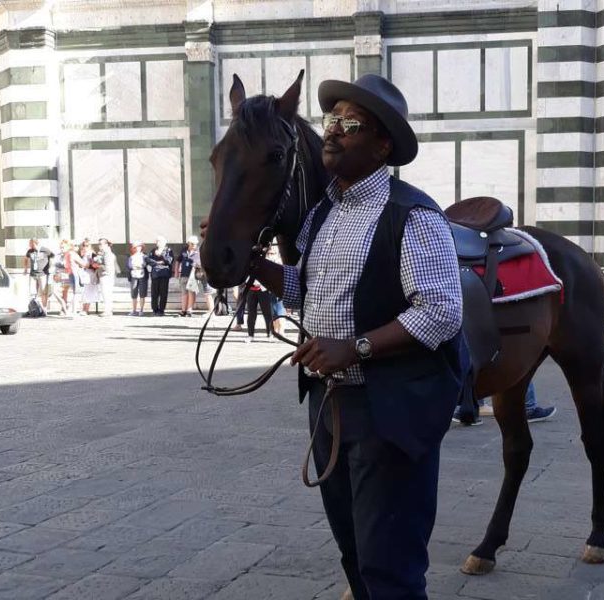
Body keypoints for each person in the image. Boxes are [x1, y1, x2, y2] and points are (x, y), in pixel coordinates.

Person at [248, 74, 464, 599]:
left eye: (351, 125)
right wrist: (250, 262)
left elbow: (440, 312)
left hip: (388, 411)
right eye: (331, 121)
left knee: (390, 568)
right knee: (353, 556)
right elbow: (303, 290)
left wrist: (356, 347)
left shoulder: (411, 215)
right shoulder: (323, 214)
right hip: (328, 407)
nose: (333, 132)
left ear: (383, 144)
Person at [23, 238, 54, 312]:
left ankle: (44, 308)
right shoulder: (30, 251)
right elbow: (25, 258)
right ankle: (33, 308)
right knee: (33, 292)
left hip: (42, 274)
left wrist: (49, 267)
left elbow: (52, 257)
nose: (29, 245)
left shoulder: (45, 250)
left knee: (43, 291)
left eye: (31, 243)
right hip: (33, 274)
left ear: (35, 243)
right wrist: (25, 269)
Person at [147, 236, 173, 316]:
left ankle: (161, 310)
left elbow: (169, 261)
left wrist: (161, 255)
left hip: (164, 273)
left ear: (164, 242)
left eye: (159, 241)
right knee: (154, 293)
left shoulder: (168, 250)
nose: (157, 243)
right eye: (157, 241)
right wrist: (158, 262)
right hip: (155, 274)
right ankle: (155, 309)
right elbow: (149, 260)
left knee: (163, 293)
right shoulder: (153, 250)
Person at [176, 236, 199, 317]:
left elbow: (197, 264)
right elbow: (178, 261)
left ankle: (189, 310)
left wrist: (193, 274)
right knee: (184, 293)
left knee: (191, 293)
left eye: (196, 244)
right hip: (183, 275)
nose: (194, 245)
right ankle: (183, 310)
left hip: (193, 276)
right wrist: (176, 272)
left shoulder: (197, 251)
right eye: (192, 244)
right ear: (189, 243)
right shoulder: (184, 250)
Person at [126, 241, 148, 316]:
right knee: (134, 293)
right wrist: (137, 266)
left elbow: (145, 265)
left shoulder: (145, 256)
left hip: (142, 276)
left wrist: (138, 266)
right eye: (135, 247)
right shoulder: (131, 257)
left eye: (139, 246)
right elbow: (129, 266)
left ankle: (141, 310)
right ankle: (134, 310)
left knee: (142, 293)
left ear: (141, 248)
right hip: (133, 276)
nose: (137, 248)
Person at [96, 238, 117, 316]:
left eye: (101, 244)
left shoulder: (108, 253)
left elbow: (108, 267)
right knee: (105, 294)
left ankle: (108, 310)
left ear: (106, 244)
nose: (99, 246)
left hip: (106, 276)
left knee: (106, 293)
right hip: (104, 275)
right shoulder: (103, 253)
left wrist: (97, 265)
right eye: (99, 244)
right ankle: (108, 310)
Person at [80, 239, 99, 314]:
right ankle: (83, 308)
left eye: (87, 245)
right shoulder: (82, 254)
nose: (85, 247)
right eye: (84, 245)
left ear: (90, 246)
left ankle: (86, 309)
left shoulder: (93, 254)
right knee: (84, 291)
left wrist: (88, 266)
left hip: (90, 274)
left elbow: (96, 265)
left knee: (89, 292)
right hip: (83, 274)